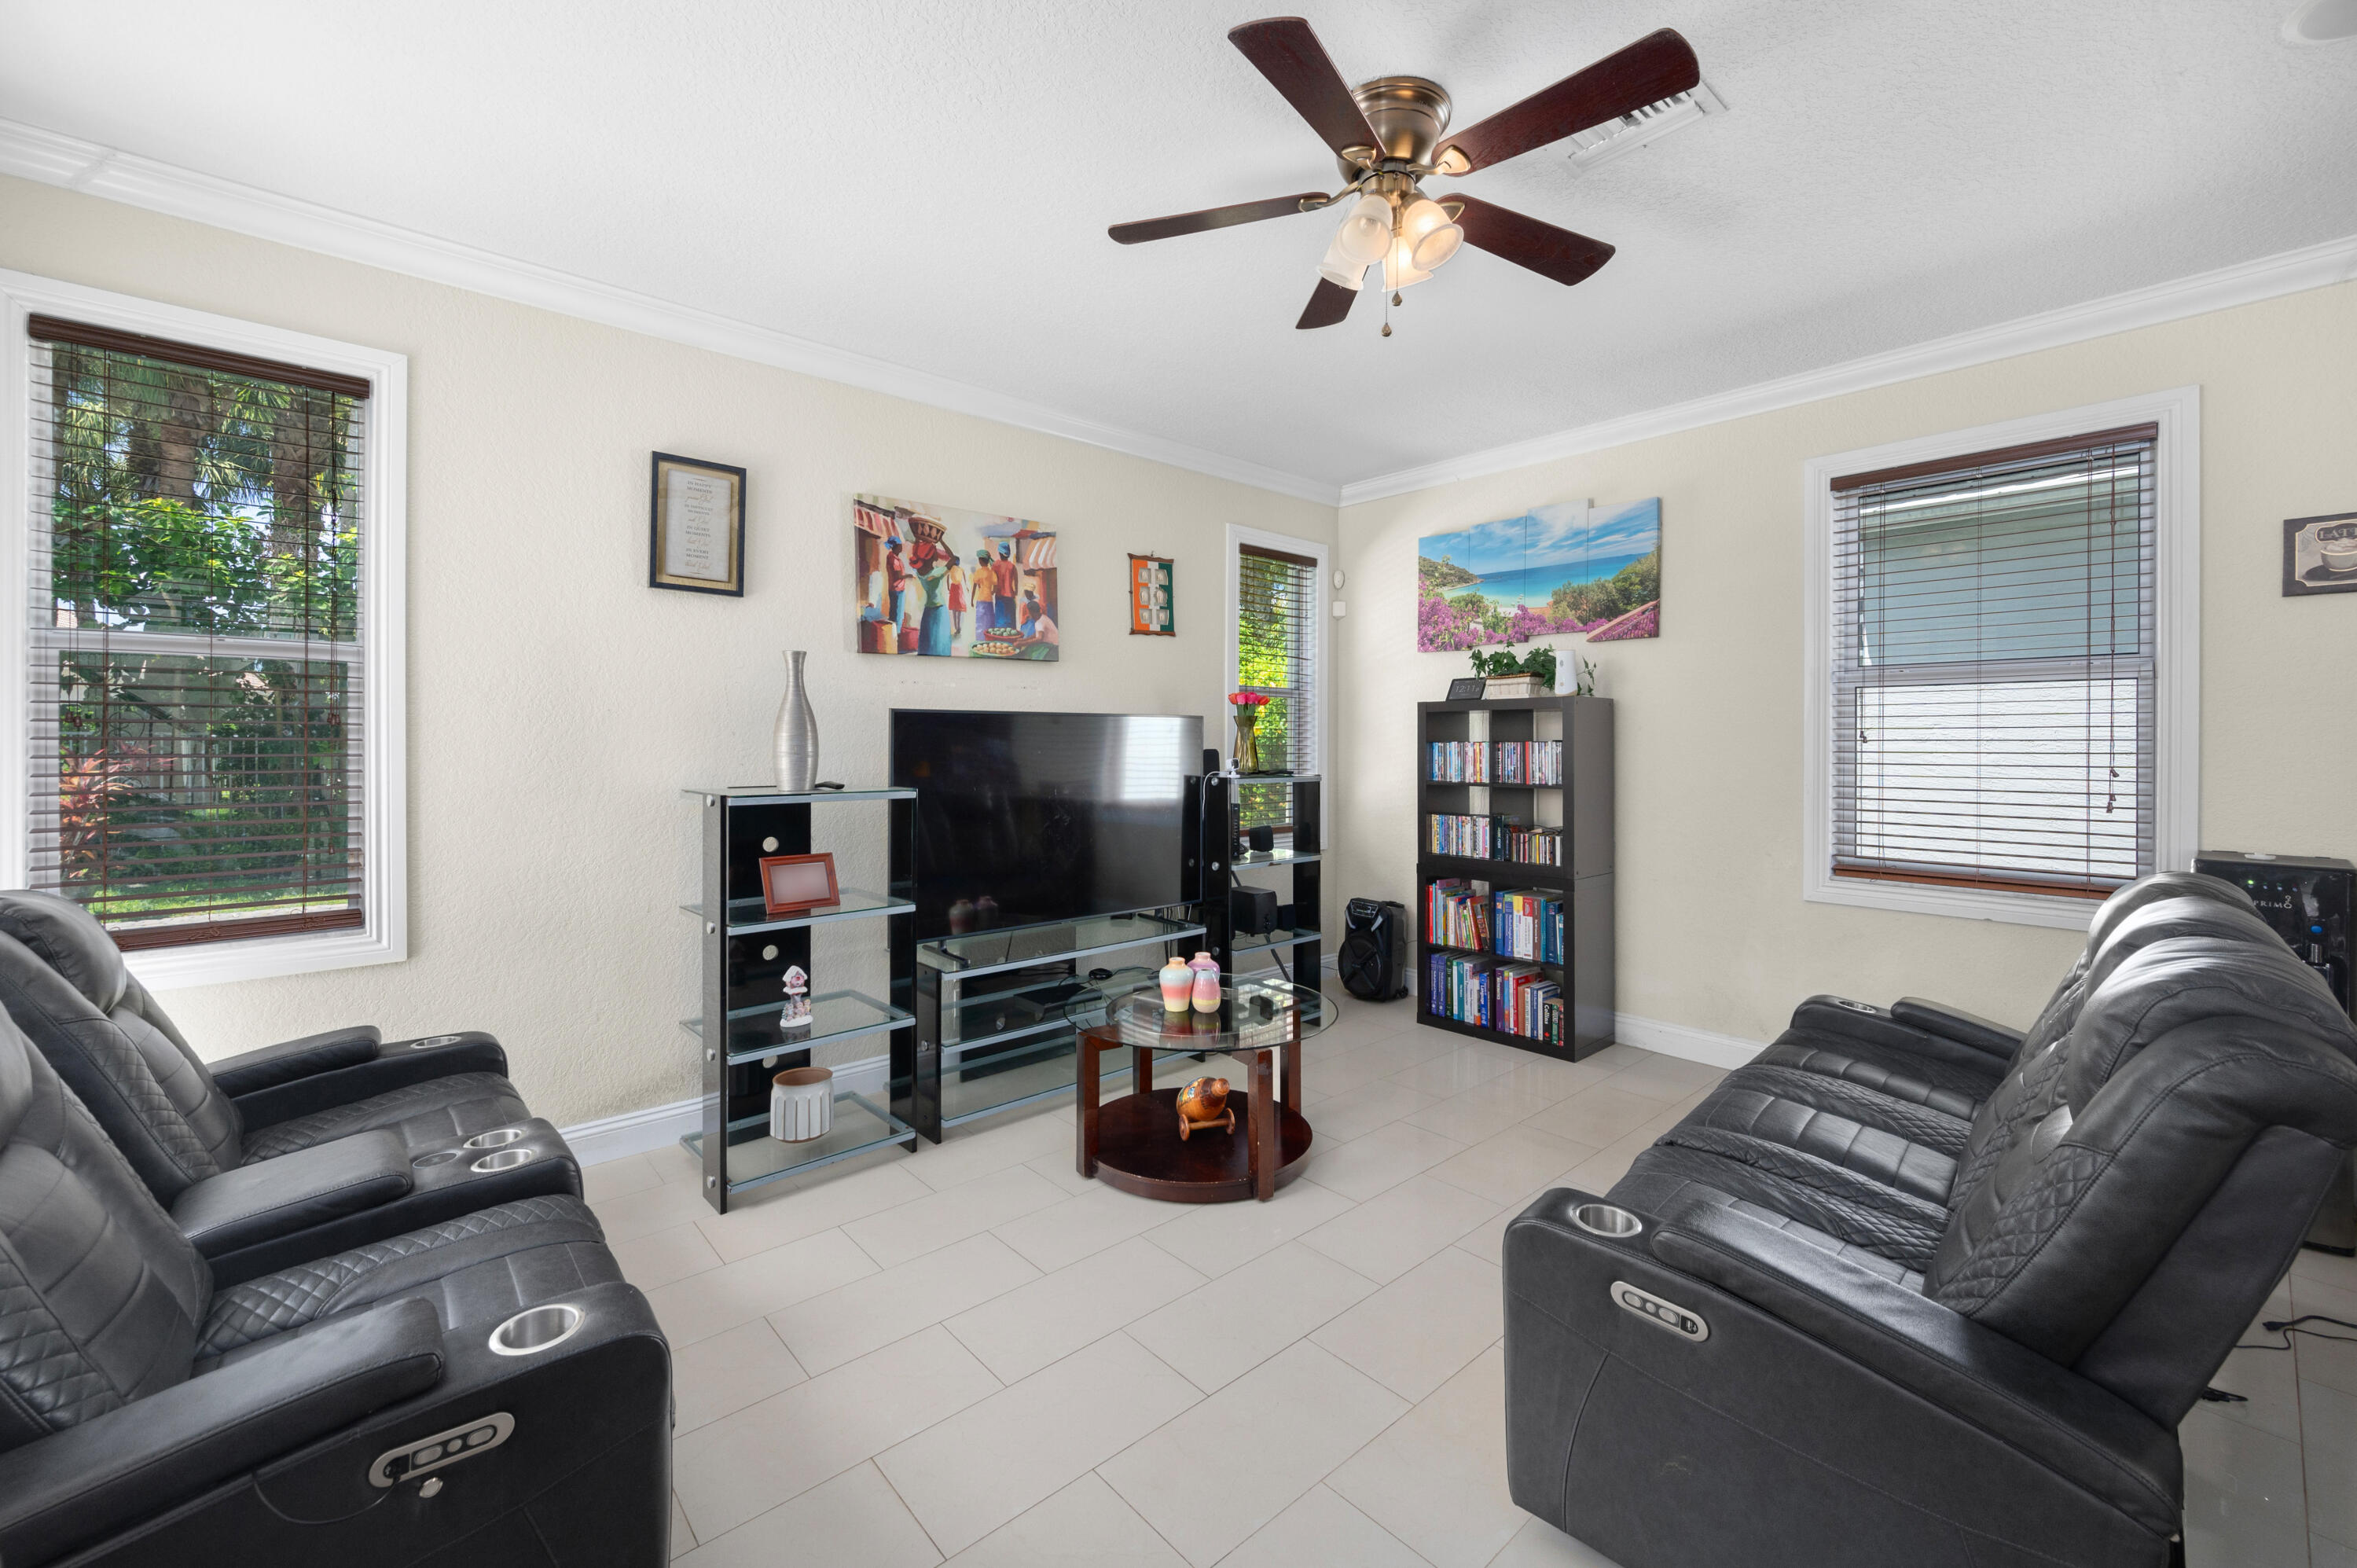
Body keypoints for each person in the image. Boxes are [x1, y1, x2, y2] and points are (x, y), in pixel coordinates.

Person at [969, 549, 997, 639]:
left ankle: (980, 640)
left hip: (980, 600)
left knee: (980, 622)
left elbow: (974, 587)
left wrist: (972, 600)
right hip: (989, 599)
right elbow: (995, 586)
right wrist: (991, 592)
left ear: (980, 561)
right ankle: (989, 639)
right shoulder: (992, 572)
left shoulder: (978, 572)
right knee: (989, 621)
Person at [992, 541, 1019, 630]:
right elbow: (1016, 581)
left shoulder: (995, 565)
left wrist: (992, 591)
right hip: (1010, 596)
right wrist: (1016, 592)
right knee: (1010, 622)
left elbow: (993, 580)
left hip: (999, 596)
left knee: (1000, 622)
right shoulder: (1012, 566)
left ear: (1000, 553)